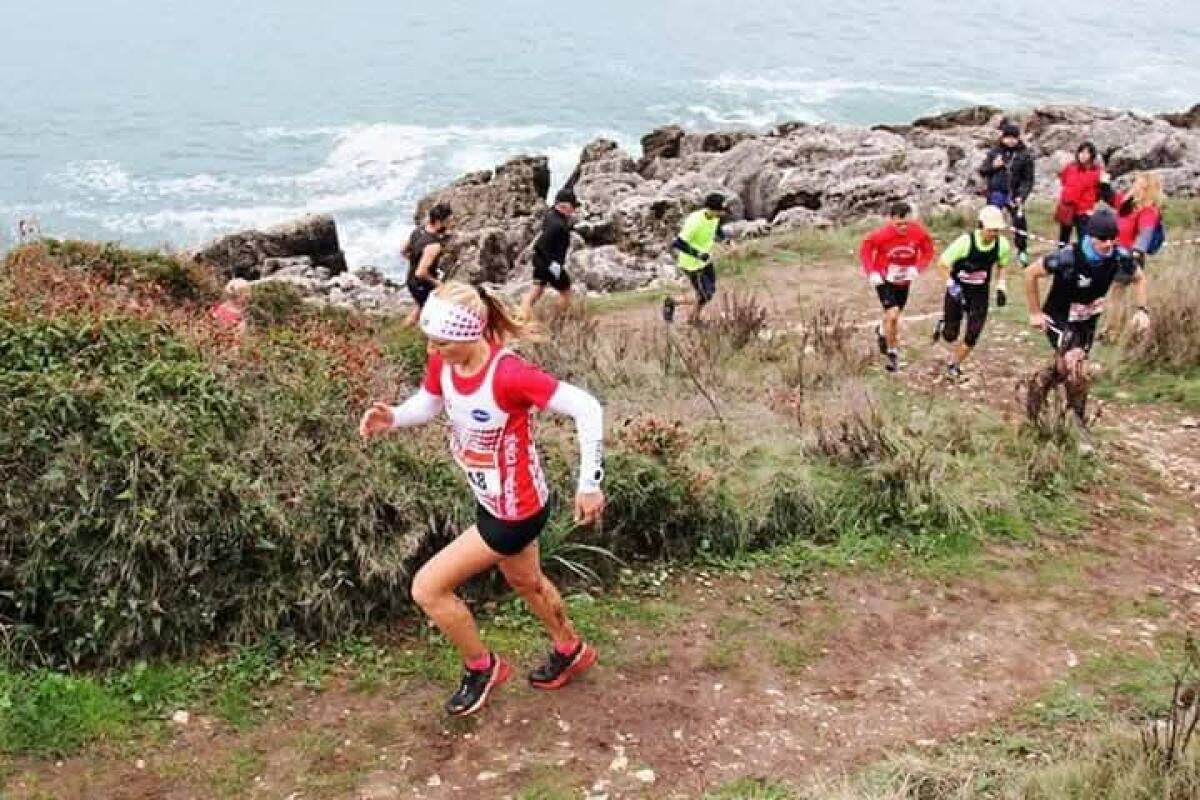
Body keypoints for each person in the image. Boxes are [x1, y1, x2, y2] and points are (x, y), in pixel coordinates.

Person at [359, 281, 606, 717]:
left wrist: (589, 482)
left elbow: (587, 407)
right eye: (430, 341)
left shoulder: (509, 375)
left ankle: (483, 667)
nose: (434, 350)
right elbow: (429, 403)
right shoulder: (445, 362)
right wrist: (392, 417)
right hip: (496, 499)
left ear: (471, 334)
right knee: (525, 581)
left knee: (428, 588)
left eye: (443, 342)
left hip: (514, 511)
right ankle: (571, 649)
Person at [1023, 210, 1150, 444]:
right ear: (1091, 236)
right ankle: (1078, 426)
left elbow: (1139, 277)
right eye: (1103, 239)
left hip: (1087, 321)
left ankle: (1039, 386)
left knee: (1066, 368)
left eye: (1113, 238)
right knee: (1078, 368)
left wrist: (1142, 310)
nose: (1108, 244)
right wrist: (1034, 312)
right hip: (1059, 318)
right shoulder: (1067, 257)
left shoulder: (1119, 256)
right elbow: (1030, 273)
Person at [934, 205, 1012, 381]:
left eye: (997, 230)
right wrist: (951, 285)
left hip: (979, 293)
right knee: (950, 335)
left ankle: (954, 365)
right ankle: (944, 323)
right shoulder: (965, 242)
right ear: (981, 225)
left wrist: (1001, 286)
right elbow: (942, 264)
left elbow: (1002, 264)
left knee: (974, 332)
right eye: (991, 230)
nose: (994, 233)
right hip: (958, 290)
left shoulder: (1002, 245)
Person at [859, 201, 935, 372]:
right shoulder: (881, 235)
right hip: (884, 279)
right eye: (898, 224)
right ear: (891, 220)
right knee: (893, 316)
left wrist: (918, 268)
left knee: (892, 316)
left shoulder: (919, 233)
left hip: (904, 280)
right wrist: (871, 272)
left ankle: (881, 330)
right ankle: (892, 354)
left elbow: (928, 251)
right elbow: (865, 249)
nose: (902, 227)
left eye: (906, 224)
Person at [1098, 172, 1163, 335]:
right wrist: (1104, 184)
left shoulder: (1148, 211)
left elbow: (1145, 233)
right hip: (1118, 253)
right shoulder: (1128, 204)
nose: (1135, 186)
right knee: (1115, 293)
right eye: (1136, 183)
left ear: (1147, 189)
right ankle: (1114, 329)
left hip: (1129, 256)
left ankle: (1112, 331)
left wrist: (1136, 252)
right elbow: (1112, 198)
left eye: (1139, 184)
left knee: (1116, 292)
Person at [663, 193, 728, 325]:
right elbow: (679, 243)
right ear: (712, 209)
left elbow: (716, 228)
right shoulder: (695, 222)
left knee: (709, 292)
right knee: (704, 294)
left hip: (706, 260)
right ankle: (675, 304)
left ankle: (692, 318)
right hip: (691, 264)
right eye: (721, 211)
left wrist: (725, 240)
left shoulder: (714, 217)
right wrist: (698, 254)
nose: (723, 214)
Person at [978, 121, 1034, 265]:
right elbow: (983, 170)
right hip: (996, 192)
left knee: (1019, 222)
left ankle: (1022, 251)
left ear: (1018, 138)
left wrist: (1022, 196)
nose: (1010, 140)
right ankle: (983, 248)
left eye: (1013, 137)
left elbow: (1028, 180)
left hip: (1014, 195)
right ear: (1002, 138)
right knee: (989, 221)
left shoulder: (1025, 155)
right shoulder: (994, 152)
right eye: (1007, 137)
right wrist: (993, 166)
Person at [521, 189, 579, 319]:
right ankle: (557, 319)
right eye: (572, 206)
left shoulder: (551, 215)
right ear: (565, 205)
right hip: (549, 264)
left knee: (536, 291)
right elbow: (540, 245)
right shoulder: (558, 225)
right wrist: (553, 265)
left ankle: (521, 317)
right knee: (566, 291)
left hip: (541, 261)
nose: (574, 210)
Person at [401, 203, 453, 327]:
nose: (451, 223)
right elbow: (421, 272)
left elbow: (403, 251)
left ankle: (404, 331)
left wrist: (415, 260)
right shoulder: (434, 245)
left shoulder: (418, 231)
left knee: (420, 306)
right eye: (448, 221)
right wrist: (437, 283)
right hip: (421, 284)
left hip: (411, 279)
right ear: (439, 222)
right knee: (437, 311)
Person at [1055, 142, 1103, 245]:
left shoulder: (1096, 172)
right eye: (1081, 152)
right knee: (1064, 237)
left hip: (1084, 211)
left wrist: (1090, 202)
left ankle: (1085, 259)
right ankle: (1062, 256)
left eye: (1087, 153)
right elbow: (1063, 181)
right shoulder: (1070, 167)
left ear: (1092, 155)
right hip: (1068, 207)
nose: (1083, 155)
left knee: (1084, 238)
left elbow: (1100, 191)